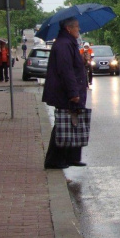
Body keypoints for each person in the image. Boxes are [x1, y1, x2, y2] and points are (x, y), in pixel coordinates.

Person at [42, 17, 88, 169]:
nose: (79, 29)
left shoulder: (69, 43)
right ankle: (54, 160)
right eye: (77, 27)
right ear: (69, 28)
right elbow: (66, 70)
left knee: (73, 122)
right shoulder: (63, 44)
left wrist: (84, 61)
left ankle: (71, 157)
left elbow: (74, 66)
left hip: (70, 91)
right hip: (65, 93)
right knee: (63, 125)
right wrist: (73, 92)